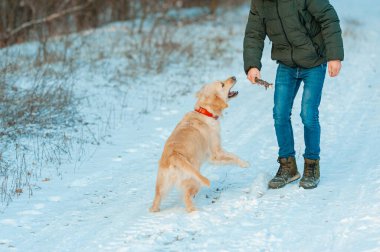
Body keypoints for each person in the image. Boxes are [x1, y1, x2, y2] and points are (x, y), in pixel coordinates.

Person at [243, 0, 344, 189]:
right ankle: (288, 166)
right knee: (280, 114)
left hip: (314, 62)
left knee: (308, 114)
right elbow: (254, 34)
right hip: (287, 65)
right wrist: (252, 65)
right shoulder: (259, 3)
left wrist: (334, 56)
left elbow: (328, 18)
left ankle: (312, 165)